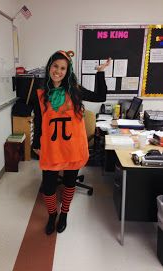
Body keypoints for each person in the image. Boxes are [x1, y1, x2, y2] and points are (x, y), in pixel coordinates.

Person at [32, 50, 111, 235]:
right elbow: (38, 122)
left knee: (69, 182)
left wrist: (100, 72)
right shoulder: (41, 94)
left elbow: (100, 97)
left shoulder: (74, 90)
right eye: (55, 66)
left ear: (67, 71)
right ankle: (52, 215)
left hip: (72, 146)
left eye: (62, 68)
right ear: (49, 67)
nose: (58, 71)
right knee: (49, 186)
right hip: (51, 147)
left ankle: (64, 213)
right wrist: (36, 143)